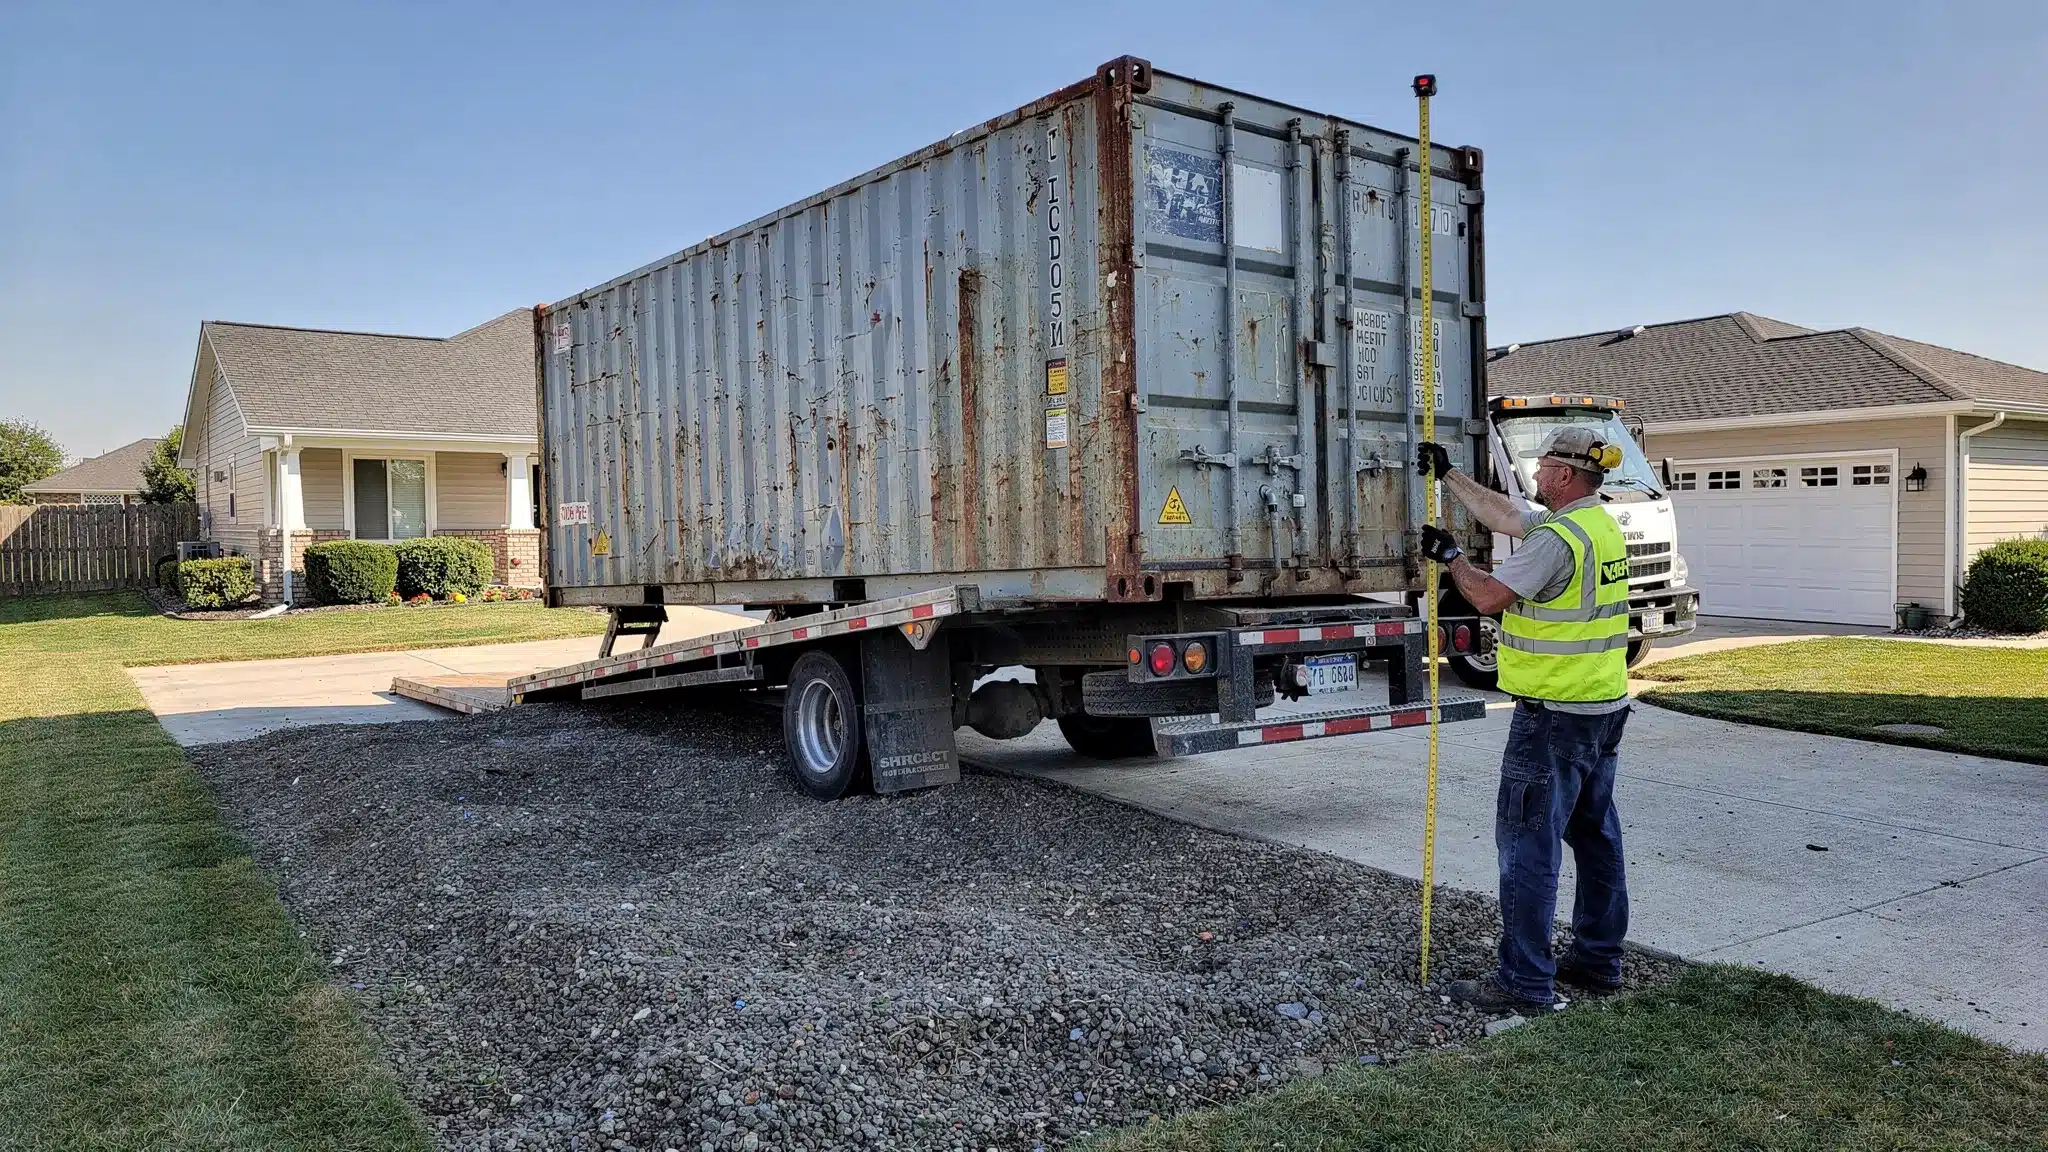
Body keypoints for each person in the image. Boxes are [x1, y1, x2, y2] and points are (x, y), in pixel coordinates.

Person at [1415, 427, 1633, 1013]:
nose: (1536, 476)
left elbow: (1488, 598)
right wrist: (1451, 476)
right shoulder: (1597, 525)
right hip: (1601, 710)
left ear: (1564, 475)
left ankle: (1525, 983)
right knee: (1595, 837)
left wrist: (1453, 559)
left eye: (1542, 469)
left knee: (1528, 847)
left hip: (1552, 718)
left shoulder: (1558, 540)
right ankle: (1597, 960)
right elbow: (1510, 514)